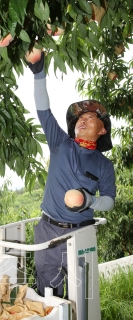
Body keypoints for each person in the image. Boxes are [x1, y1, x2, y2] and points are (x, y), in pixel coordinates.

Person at [27, 53, 116, 298]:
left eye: (90, 118)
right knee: (49, 296)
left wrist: (88, 200)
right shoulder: (60, 143)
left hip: (81, 233)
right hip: (48, 231)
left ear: (103, 129)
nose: (82, 120)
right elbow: (44, 110)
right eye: (79, 118)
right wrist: (38, 73)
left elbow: (108, 201)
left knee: (83, 297)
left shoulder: (104, 165)